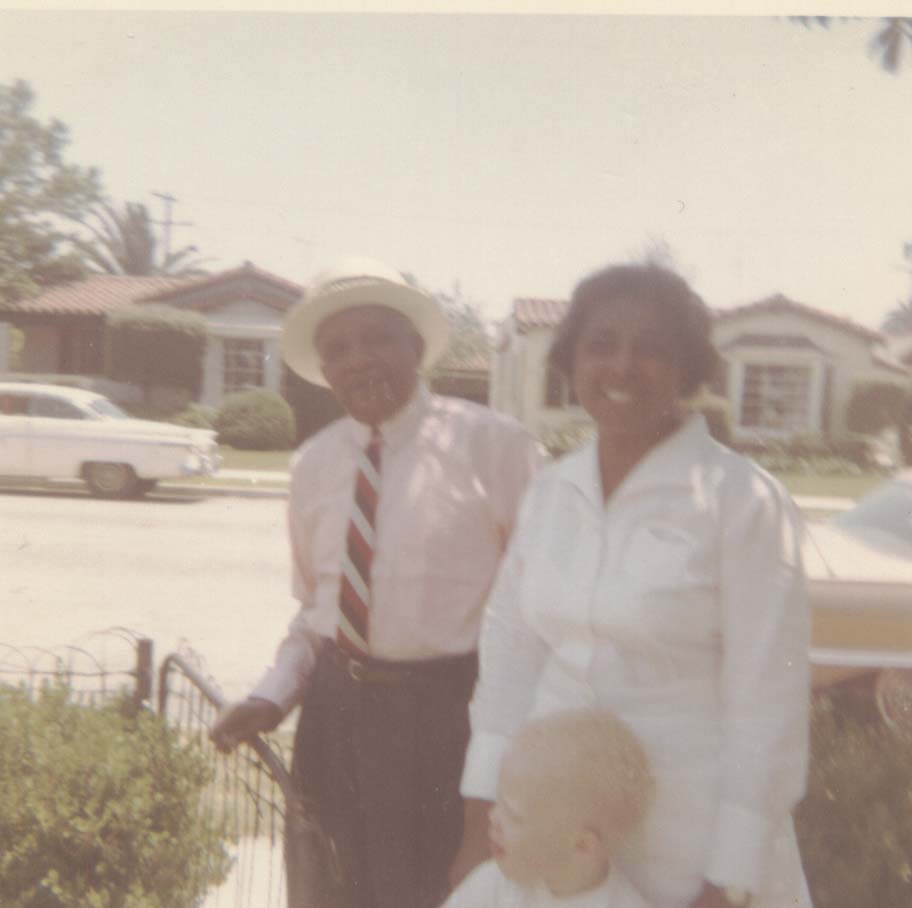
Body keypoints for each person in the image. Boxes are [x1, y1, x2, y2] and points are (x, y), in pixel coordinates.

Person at [454, 263, 812, 908]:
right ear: (570, 361)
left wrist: (727, 880)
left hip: (690, 834)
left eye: (651, 348)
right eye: (601, 345)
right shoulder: (551, 493)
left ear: (686, 370)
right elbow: (510, 660)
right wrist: (481, 819)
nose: (622, 366)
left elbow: (768, 703)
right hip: (554, 834)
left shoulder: (744, 501)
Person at [211, 257, 543, 908]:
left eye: (377, 339)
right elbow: (317, 614)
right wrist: (272, 697)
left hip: (454, 723)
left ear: (416, 347)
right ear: (323, 370)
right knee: (332, 892)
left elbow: (539, 613)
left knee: (447, 893)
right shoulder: (313, 465)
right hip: (337, 722)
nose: (359, 360)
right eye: (338, 348)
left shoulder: (496, 447)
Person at [445, 708, 654, 908]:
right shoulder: (493, 885)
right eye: (499, 802)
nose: (493, 816)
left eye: (514, 816)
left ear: (582, 845)